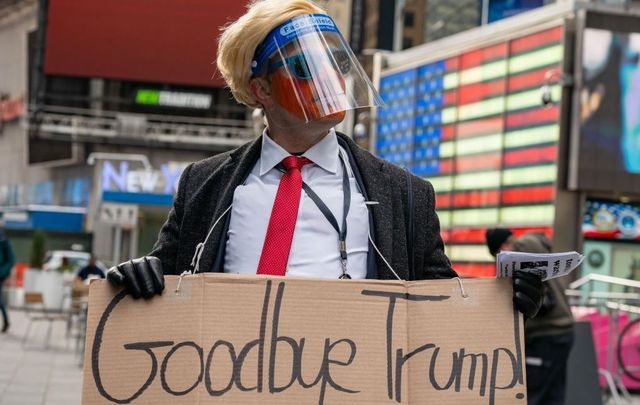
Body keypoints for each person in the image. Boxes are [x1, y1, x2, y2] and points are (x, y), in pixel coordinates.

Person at [107, 0, 543, 321]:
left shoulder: (405, 194)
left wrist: (505, 303)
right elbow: (164, 275)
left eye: (335, 61)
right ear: (261, 91)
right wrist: (134, 277)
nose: (329, 77)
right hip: (229, 380)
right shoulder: (204, 183)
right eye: (305, 67)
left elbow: (441, 301)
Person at [486, 228, 575, 405]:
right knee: (554, 393)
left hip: (545, 332)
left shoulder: (522, 247)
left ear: (502, 246)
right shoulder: (537, 246)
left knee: (533, 395)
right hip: (563, 330)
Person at [0, 226, 15, 333]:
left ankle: (6, 321)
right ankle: (6, 321)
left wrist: (2, 272)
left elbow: (11, 260)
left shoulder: (4, 242)